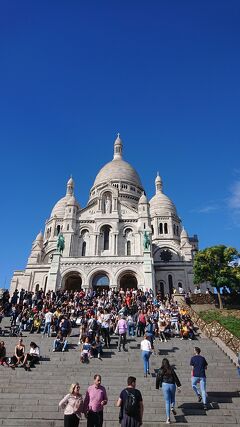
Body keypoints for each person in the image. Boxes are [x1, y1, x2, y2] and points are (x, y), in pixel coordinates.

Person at [156, 358, 181, 424]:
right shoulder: (171, 369)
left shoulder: (160, 370)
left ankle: (168, 419)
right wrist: (178, 386)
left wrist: (157, 387)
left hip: (165, 385)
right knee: (173, 398)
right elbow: (176, 377)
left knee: (167, 402)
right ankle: (172, 407)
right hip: (172, 385)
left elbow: (158, 378)